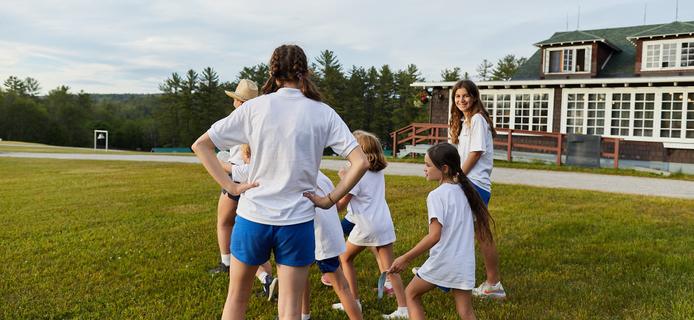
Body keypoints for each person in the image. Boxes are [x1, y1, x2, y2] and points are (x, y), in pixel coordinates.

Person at [191, 44, 369, 320]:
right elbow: (361, 161)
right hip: (296, 223)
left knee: (237, 299)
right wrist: (330, 199)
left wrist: (232, 187)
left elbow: (201, 145)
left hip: (253, 217)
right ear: (305, 72)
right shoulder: (323, 112)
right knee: (290, 308)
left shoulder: (256, 107)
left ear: (273, 74)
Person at [388, 143, 495, 320]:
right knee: (466, 313)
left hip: (443, 261)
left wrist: (405, 258)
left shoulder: (436, 195)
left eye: (428, 165)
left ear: (444, 169)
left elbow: (434, 236)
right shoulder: (466, 192)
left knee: (411, 294)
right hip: (464, 263)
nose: (425, 169)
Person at [210, 79, 278, 300]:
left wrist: (219, 163)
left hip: (238, 178)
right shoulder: (262, 120)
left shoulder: (238, 122)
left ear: (239, 101)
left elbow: (236, 162)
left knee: (225, 224)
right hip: (255, 181)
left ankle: (232, 265)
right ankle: (265, 276)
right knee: (249, 234)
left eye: (236, 100)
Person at [334, 130, 409, 319]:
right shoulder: (378, 171)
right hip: (383, 223)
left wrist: (344, 179)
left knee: (345, 259)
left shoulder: (357, 174)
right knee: (390, 268)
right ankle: (403, 309)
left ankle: (354, 302)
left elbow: (341, 205)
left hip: (366, 225)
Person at [448, 79, 506, 299]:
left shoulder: (479, 120)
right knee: (471, 232)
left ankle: (493, 284)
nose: (461, 100)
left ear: (474, 97)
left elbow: (476, 153)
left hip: (475, 185)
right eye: (457, 97)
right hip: (470, 182)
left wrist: (458, 176)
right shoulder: (466, 122)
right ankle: (487, 283)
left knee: (479, 234)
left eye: (465, 96)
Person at [301, 171, 363, 320]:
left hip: (320, 238)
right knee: (300, 276)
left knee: (341, 286)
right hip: (323, 235)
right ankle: (304, 315)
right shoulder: (320, 175)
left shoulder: (300, 178)